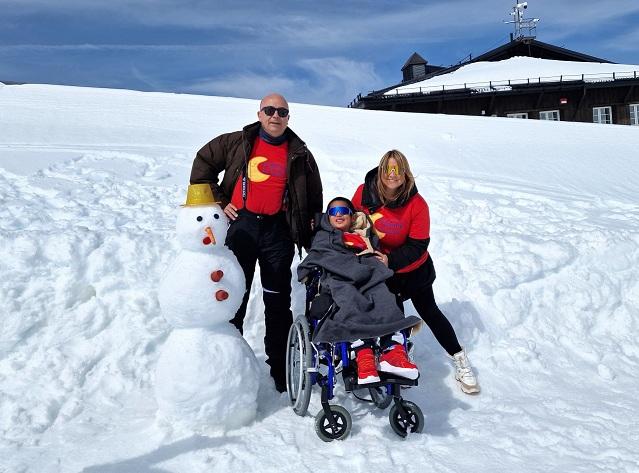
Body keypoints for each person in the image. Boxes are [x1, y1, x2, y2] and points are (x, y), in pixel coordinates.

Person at [190, 93, 323, 392]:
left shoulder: (299, 152)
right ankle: (229, 366)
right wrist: (220, 201)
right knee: (236, 296)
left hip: (278, 231)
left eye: (282, 111)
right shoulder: (238, 142)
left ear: (289, 117)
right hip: (242, 227)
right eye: (270, 110)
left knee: (277, 301)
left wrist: (310, 230)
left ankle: (280, 368)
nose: (276, 116)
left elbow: (314, 199)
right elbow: (203, 165)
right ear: (260, 113)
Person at [351, 150, 480, 394]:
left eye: (397, 169)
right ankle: (398, 357)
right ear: (380, 171)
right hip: (381, 271)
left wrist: (391, 259)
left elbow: (418, 245)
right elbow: (350, 220)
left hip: (413, 270)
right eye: (388, 169)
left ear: (405, 174)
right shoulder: (364, 193)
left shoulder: (417, 204)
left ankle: (459, 357)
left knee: (430, 312)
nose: (392, 175)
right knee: (393, 316)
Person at [298, 197, 421, 385]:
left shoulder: (364, 236)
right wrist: (307, 271)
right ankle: (364, 356)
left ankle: (393, 352)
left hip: (368, 278)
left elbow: (373, 256)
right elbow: (315, 256)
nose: (338, 214)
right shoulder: (323, 236)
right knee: (349, 298)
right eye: (333, 212)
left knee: (384, 296)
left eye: (343, 211)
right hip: (338, 279)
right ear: (327, 217)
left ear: (351, 216)